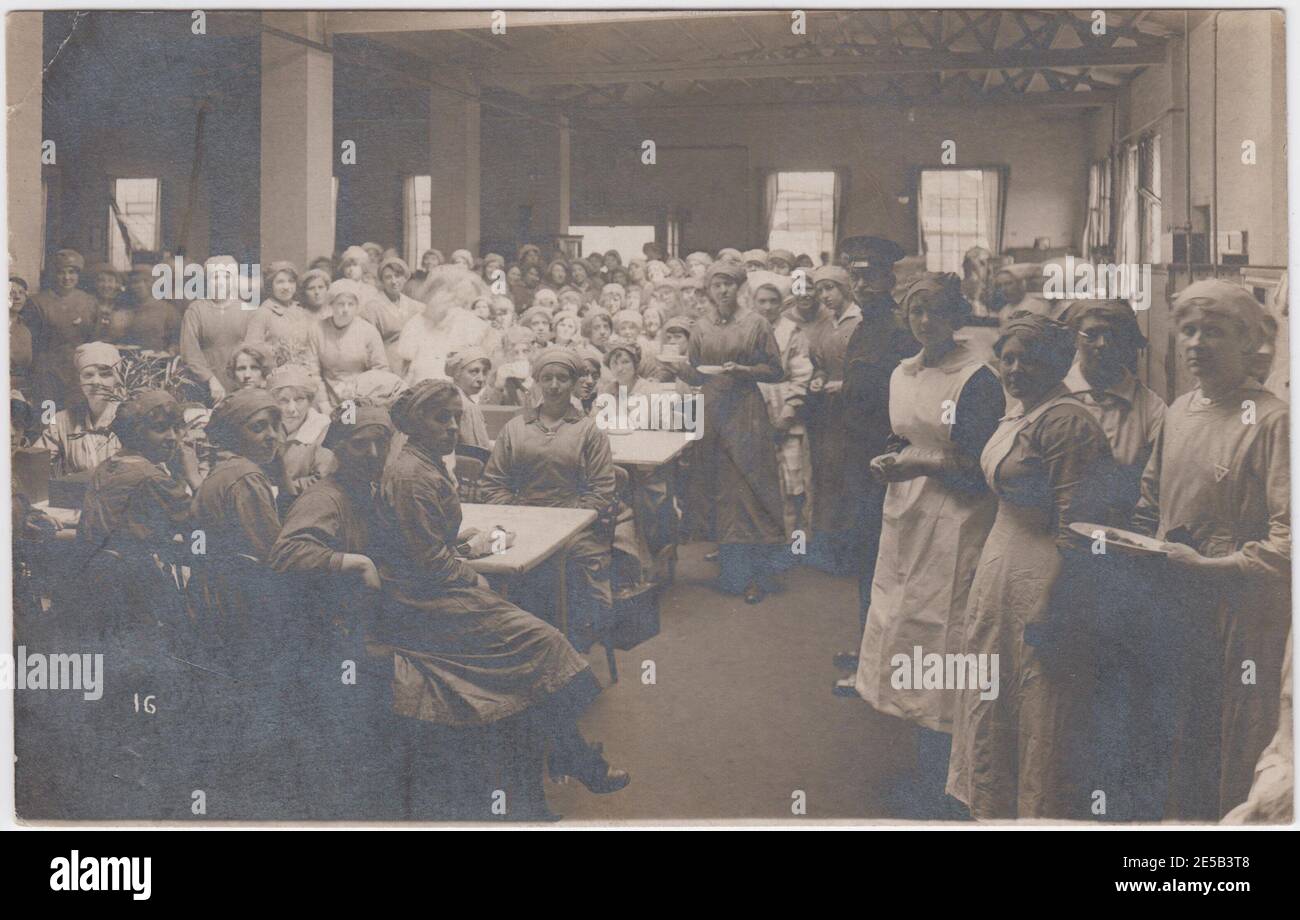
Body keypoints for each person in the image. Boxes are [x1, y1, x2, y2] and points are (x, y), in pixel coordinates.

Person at [370, 379, 628, 816]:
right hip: (421, 606)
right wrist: (471, 575)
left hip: (434, 589)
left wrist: (461, 547)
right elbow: (429, 565)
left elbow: (428, 546)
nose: (452, 426)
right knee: (544, 645)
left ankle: (560, 766)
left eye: (455, 417)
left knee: (534, 660)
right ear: (414, 423)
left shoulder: (425, 462)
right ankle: (568, 758)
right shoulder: (412, 474)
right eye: (440, 418)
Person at [845, 274, 1004, 818]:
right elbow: (906, 432)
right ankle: (923, 765)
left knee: (946, 631)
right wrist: (895, 455)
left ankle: (950, 782)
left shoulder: (977, 379)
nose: (924, 321)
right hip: (908, 512)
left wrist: (917, 462)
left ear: (955, 315)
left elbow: (981, 466)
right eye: (916, 311)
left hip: (959, 519)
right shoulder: (903, 371)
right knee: (905, 623)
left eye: (935, 311)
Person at [1131, 280, 1290, 820]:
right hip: (1180, 606)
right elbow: (1150, 504)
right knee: (1179, 739)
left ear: (1249, 343)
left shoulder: (1273, 421)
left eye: (1215, 332)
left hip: (1242, 615)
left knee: (1235, 740)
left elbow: (1288, 544)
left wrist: (1212, 565)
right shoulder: (1177, 412)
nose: (1197, 343)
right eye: (1189, 331)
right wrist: (1139, 546)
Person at [946, 312, 1115, 820]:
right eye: (1008, 358)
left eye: (1028, 359)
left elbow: (1081, 529)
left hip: (1045, 575)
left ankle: (1035, 814)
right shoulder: (1020, 411)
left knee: (1037, 702)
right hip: (1002, 567)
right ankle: (993, 806)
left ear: (1057, 363)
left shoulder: (1065, 422)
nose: (1015, 369)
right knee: (994, 695)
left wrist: (1052, 604)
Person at [267, 401, 398, 818]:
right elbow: (286, 553)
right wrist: (355, 562)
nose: (374, 454)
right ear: (338, 448)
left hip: (356, 621)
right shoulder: (326, 497)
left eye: (381, 443)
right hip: (323, 634)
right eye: (361, 445)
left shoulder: (366, 491)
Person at [69, 389, 195, 817]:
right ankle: (140, 760)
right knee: (148, 662)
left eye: (178, 427)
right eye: (163, 428)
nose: (174, 437)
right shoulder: (150, 476)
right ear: (135, 432)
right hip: (131, 583)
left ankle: (119, 752)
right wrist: (190, 471)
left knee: (118, 665)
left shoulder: (110, 465)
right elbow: (193, 516)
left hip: (97, 581)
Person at [189, 387, 295, 816]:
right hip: (240, 604)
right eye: (258, 427)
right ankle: (263, 779)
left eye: (275, 425)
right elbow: (275, 555)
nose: (272, 436)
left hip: (219, 597)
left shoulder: (232, 471)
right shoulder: (246, 478)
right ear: (234, 435)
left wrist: (283, 477)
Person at [480, 349, 619, 650]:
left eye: (562, 378)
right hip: (521, 521)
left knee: (577, 568)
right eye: (547, 378)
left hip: (574, 528)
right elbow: (494, 484)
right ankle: (518, 648)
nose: (555, 385)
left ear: (574, 382)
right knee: (495, 568)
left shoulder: (589, 432)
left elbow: (601, 492)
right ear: (538, 382)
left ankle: (572, 648)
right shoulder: (515, 429)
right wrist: (519, 515)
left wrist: (564, 521)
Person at [676, 259, 786, 604]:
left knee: (749, 488)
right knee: (719, 489)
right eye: (716, 284)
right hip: (711, 411)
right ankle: (732, 571)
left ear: (739, 287)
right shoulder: (701, 327)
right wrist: (677, 368)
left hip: (745, 412)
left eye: (728, 284)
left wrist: (744, 369)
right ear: (708, 290)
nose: (722, 290)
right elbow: (696, 373)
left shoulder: (756, 324)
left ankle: (759, 575)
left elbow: (776, 370)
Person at [1060, 299, 1166, 519]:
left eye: (1114, 335)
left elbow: (1158, 487)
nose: (1102, 344)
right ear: (1073, 340)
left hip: (1123, 530)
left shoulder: (1152, 410)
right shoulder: (1053, 396)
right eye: (1091, 334)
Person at [803, 264, 865, 575]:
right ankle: (829, 548)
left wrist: (844, 384)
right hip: (828, 413)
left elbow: (868, 371)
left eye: (831, 289)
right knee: (828, 475)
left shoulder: (860, 322)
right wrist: (819, 377)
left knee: (850, 477)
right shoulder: (826, 325)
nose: (824, 296)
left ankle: (851, 554)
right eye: (820, 289)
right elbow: (819, 363)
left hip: (854, 411)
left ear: (845, 289)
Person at [37, 341, 123, 476]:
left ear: (116, 380)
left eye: (105, 374)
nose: (96, 382)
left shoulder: (131, 419)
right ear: (80, 381)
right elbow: (36, 459)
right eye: (88, 375)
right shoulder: (61, 421)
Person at [27, 248, 98, 408]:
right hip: (47, 370)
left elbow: (94, 338)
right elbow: (33, 342)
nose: (67, 277)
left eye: (72, 272)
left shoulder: (89, 301)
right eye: (61, 272)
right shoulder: (38, 303)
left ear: (78, 275)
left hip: (78, 369)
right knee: (48, 415)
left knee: (75, 416)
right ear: (53, 274)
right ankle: (47, 432)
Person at [180, 255, 255, 403]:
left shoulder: (248, 310)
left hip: (240, 382)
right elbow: (190, 352)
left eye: (226, 277)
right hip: (205, 385)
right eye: (215, 277)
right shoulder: (196, 310)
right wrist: (210, 379)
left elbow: (254, 351)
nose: (220, 283)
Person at [308, 280, 389, 408]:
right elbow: (312, 371)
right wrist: (324, 404)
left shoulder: (368, 331)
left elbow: (381, 369)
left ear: (357, 306)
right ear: (331, 304)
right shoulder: (317, 329)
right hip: (325, 397)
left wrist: (363, 398)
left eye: (350, 304)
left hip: (362, 398)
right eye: (340, 304)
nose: (345, 310)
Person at [395, 287, 492, 385]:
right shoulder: (416, 322)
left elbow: (485, 335)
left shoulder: (462, 318)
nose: (445, 305)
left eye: (450, 300)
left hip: (454, 385)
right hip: (421, 383)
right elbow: (405, 357)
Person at [269, 363, 333, 509]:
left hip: (307, 506)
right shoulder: (269, 428)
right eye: (283, 401)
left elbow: (323, 479)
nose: (292, 409)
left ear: (310, 401)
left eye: (299, 399)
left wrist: (283, 489)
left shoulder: (323, 428)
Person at [244, 261, 315, 367]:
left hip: (302, 374)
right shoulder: (262, 313)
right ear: (270, 285)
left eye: (291, 281)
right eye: (280, 282)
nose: (286, 287)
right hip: (274, 376)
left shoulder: (301, 312)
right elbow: (251, 351)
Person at [122, 265, 182, 353]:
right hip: (128, 360)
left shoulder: (167, 310)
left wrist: (173, 349)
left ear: (154, 283)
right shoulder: (125, 308)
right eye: (135, 282)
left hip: (157, 361)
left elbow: (177, 339)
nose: (140, 285)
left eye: (146, 281)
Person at [10, 275, 34, 395]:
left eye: (21, 293)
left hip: (20, 390)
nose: (17, 297)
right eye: (11, 293)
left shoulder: (26, 328)